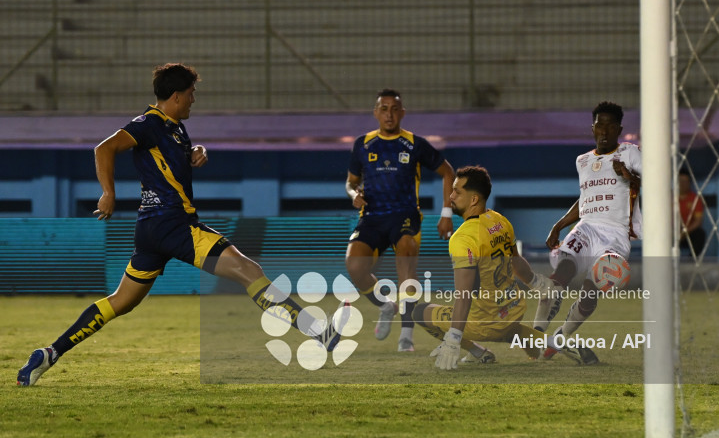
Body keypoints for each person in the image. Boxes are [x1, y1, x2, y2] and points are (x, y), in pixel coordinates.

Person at [17, 63, 347, 386]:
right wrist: (108, 194)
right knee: (249, 271)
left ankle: (48, 354)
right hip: (174, 224)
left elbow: (165, 162)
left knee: (122, 301)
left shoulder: (174, 128)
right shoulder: (148, 123)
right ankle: (319, 331)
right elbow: (104, 148)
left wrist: (195, 152)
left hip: (151, 228)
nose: (194, 99)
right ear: (175, 96)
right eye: (191, 93)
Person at [345, 89, 455, 352]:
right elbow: (351, 182)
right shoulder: (363, 144)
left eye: (395, 109)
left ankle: (406, 334)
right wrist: (353, 195)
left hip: (405, 216)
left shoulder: (415, 144)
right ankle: (386, 305)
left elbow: (448, 172)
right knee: (354, 266)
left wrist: (447, 213)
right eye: (384, 109)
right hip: (371, 217)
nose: (389, 114)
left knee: (405, 261)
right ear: (376, 113)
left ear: (402, 113)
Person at [414, 165, 553, 369]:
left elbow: (464, 295)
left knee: (419, 312)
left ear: (473, 200)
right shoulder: (500, 220)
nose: (451, 196)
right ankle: (553, 343)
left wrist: (453, 339)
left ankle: (478, 352)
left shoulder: (462, 238)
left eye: (457, 191)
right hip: (514, 310)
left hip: (486, 323)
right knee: (505, 326)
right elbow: (516, 261)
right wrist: (537, 283)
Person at [534, 101, 642, 365]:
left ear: (619, 129)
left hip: (616, 234)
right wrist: (558, 225)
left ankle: (559, 337)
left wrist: (630, 176)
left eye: (610, 125)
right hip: (587, 227)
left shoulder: (631, 152)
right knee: (562, 273)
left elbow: (655, 183)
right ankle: (535, 333)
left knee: (590, 294)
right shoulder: (582, 160)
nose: (603, 130)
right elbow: (585, 199)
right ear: (592, 128)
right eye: (599, 124)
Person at [678, 168, 705, 255]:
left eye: (685, 181)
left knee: (700, 234)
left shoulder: (695, 199)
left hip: (688, 232)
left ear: (689, 183)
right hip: (672, 231)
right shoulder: (670, 197)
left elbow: (698, 221)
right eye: (681, 181)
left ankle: (693, 261)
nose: (683, 184)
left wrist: (685, 231)